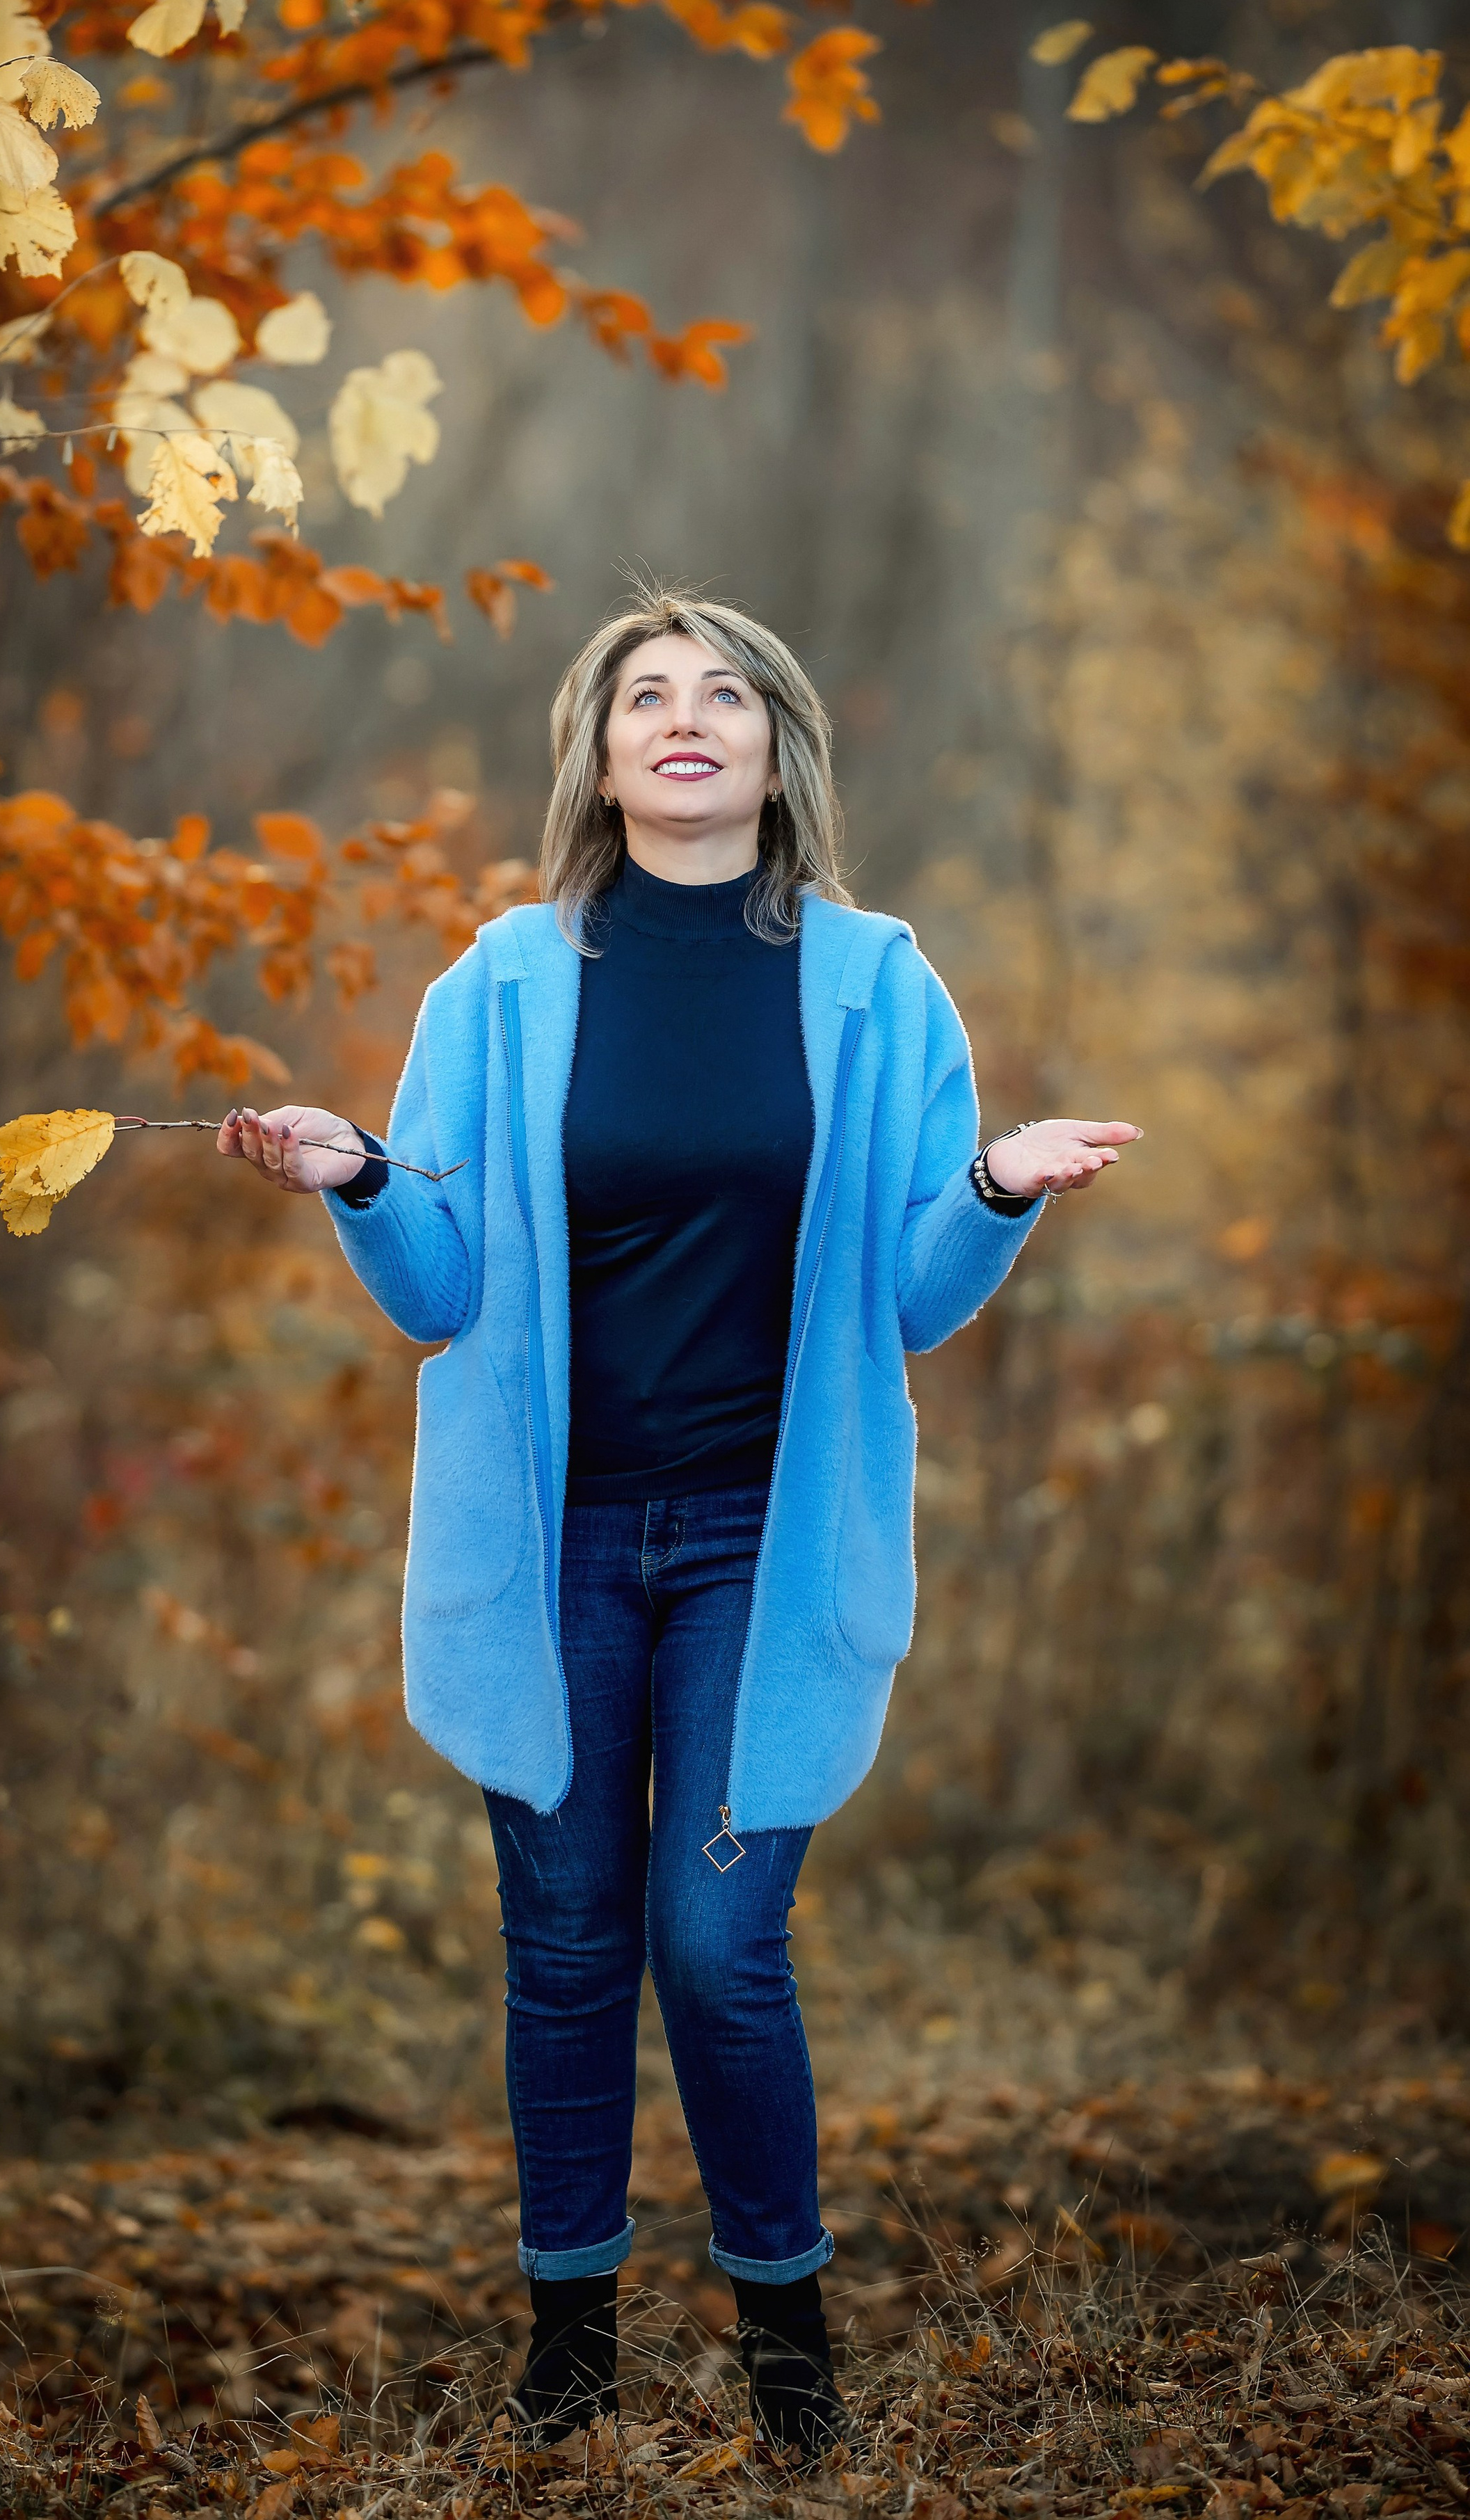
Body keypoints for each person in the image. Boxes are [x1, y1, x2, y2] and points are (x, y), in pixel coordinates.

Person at [218, 589, 1139, 2459]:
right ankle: (571, 2342)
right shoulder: (497, 984)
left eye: (726, 693)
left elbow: (909, 1293)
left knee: (720, 1947)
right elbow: (436, 1285)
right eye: (648, 696)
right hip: (548, 1542)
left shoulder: (879, 983)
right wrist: (362, 1177)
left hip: (758, 1543)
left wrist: (993, 1187)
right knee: (563, 1946)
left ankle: (789, 2344)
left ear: (781, 745)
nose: (688, 719)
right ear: (602, 752)